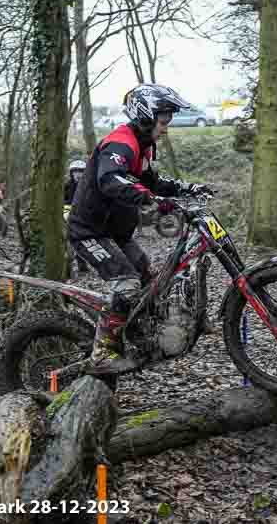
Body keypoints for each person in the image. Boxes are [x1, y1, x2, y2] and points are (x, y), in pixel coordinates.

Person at [67, 83, 212, 360]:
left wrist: (186, 188)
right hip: (89, 232)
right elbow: (109, 179)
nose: (167, 126)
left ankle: (140, 333)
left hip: (116, 233)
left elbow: (153, 182)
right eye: (164, 119)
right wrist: (151, 200)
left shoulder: (143, 146)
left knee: (149, 279)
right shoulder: (121, 142)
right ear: (146, 114)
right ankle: (103, 351)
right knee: (127, 283)